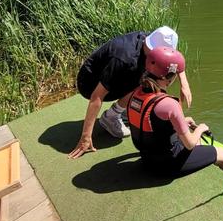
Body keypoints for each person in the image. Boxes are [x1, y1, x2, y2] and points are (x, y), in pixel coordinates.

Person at [68, 26, 192, 159]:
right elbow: (97, 96)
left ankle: (112, 114)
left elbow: (174, 60)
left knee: (147, 75)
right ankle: (112, 117)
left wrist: (184, 84)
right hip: (89, 83)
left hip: (112, 72)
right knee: (145, 80)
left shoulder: (154, 38)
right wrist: (86, 137)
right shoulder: (125, 59)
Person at [127, 46, 223, 178]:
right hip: (166, 166)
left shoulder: (137, 93)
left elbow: (151, 123)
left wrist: (183, 122)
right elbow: (190, 144)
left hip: (147, 158)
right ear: (170, 77)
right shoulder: (170, 104)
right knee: (220, 153)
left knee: (196, 141)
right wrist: (201, 129)